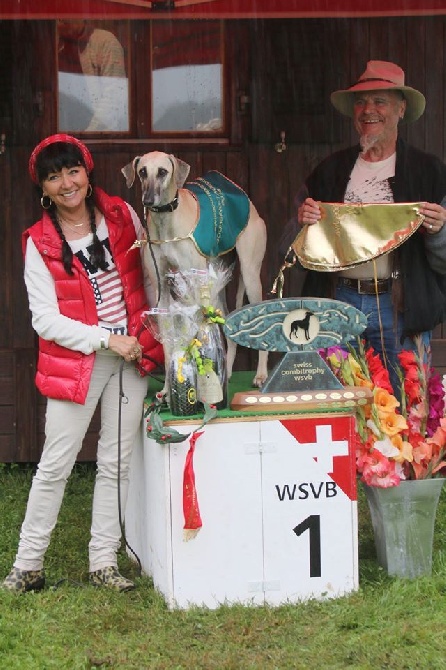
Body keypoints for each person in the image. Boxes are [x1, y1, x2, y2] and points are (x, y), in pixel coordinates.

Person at [2, 134, 163, 593]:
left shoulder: (123, 216)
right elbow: (45, 320)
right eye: (54, 177)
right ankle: (27, 566)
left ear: (87, 174)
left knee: (117, 461)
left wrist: (149, 337)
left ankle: (103, 563)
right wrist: (108, 340)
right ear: (44, 189)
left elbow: (149, 280)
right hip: (78, 362)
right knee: (56, 464)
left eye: (73, 171)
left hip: (132, 356)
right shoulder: (39, 242)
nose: (66, 183)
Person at [278, 60, 446, 392]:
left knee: (405, 404)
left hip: (400, 307)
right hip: (336, 303)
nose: (368, 110)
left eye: (380, 101)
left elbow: (444, 260)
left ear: (401, 109)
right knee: (338, 401)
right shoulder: (328, 172)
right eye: (360, 101)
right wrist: (301, 226)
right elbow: (289, 252)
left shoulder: (431, 173)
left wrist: (439, 233)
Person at [58, 20, 127, 131]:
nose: (61, 21)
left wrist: (90, 134)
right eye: (59, 19)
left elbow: (114, 95)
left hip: (101, 137)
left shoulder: (105, 42)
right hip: (67, 134)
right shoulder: (54, 47)